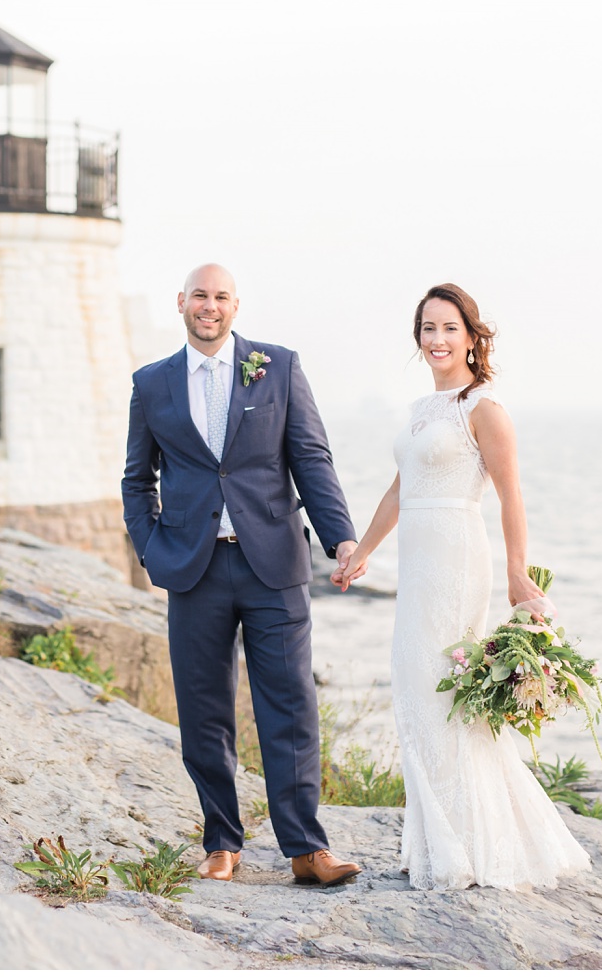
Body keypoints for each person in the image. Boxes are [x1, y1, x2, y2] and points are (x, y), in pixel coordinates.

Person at [331, 283, 592, 890]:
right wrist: (362, 553)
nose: (437, 339)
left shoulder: (485, 409)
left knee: (443, 693)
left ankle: (471, 845)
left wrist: (517, 570)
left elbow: (511, 493)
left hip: (455, 558)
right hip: (417, 559)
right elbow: (401, 490)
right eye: (427, 328)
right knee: (416, 688)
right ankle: (435, 842)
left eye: (449, 328)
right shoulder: (424, 409)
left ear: (472, 337)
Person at [121, 263, 364, 886]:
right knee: (204, 711)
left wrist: (340, 538)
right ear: (181, 303)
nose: (210, 306)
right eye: (199, 296)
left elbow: (310, 457)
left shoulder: (277, 366)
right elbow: (136, 479)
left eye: (221, 297)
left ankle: (306, 848)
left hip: (273, 565)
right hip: (193, 568)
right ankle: (221, 841)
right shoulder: (152, 383)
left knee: (290, 705)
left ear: (236, 305)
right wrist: (152, 548)